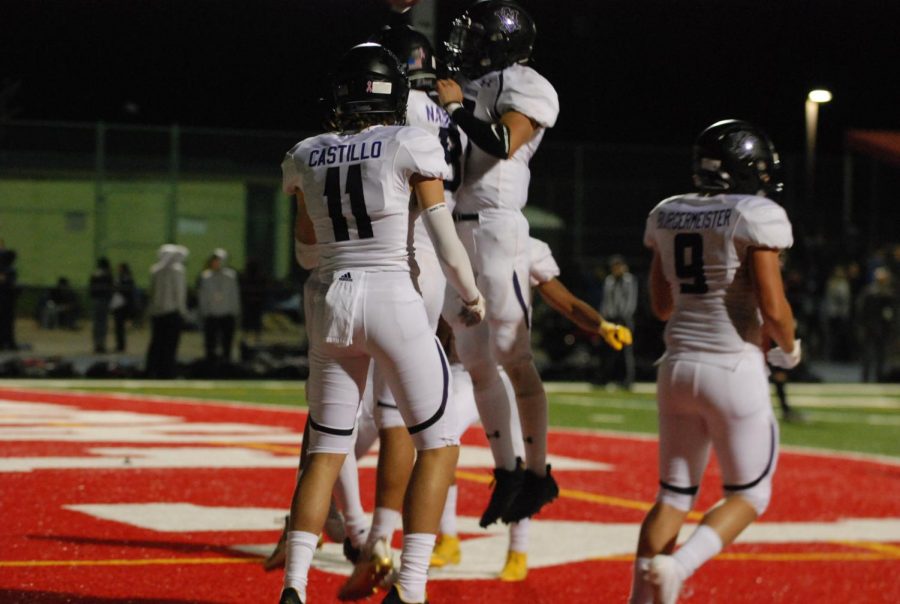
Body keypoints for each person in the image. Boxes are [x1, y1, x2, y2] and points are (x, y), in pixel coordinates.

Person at [278, 43, 484, 604]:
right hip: (393, 296)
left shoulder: (305, 153)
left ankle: (294, 585)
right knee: (438, 443)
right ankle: (410, 585)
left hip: (329, 302)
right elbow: (444, 238)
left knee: (324, 450)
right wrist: (470, 294)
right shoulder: (409, 141)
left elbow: (303, 253)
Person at [631, 120, 801, 604]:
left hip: (676, 364)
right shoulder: (755, 213)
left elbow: (661, 305)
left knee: (672, 496)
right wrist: (789, 349)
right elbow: (773, 304)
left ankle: (640, 601)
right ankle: (678, 566)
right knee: (750, 494)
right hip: (733, 367)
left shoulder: (667, 212)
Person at [431, 237, 632, 581]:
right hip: (462, 371)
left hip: (504, 372)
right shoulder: (450, 238)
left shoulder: (523, 245)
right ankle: (447, 537)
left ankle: (518, 550)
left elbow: (565, 302)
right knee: (437, 443)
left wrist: (599, 324)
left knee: (520, 464)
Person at [436, 0, 561, 527]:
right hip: (458, 227)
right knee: (474, 356)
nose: (465, 45)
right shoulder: (477, 82)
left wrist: (459, 109)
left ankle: (537, 472)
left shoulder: (528, 84)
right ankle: (507, 469)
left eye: (476, 36)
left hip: (496, 225)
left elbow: (505, 142)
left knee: (513, 353)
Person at [145, 244, 188, 379]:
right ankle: (167, 371)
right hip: (172, 313)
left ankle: (152, 370)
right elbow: (180, 293)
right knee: (170, 345)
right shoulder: (178, 271)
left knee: (156, 343)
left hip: (157, 314)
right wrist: (183, 312)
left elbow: (151, 293)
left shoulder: (155, 270)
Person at [600, 254, 638, 389]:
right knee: (609, 350)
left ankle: (628, 380)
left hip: (625, 319)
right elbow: (606, 301)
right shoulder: (609, 281)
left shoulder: (629, 280)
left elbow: (631, 300)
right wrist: (605, 318)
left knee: (626, 351)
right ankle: (606, 379)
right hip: (611, 319)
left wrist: (625, 316)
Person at [197, 248, 241, 362]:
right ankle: (210, 365)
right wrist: (204, 312)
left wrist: (235, 312)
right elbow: (203, 296)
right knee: (210, 344)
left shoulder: (230, 276)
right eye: (214, 260)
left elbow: (234, 295)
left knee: (227, 343)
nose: (215, 263)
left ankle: (226, 365)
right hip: (211, 315)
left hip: (227, 314)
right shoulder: (206, 276)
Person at [857, 266, 896, 382]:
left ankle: (879, 378)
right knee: (868, 356)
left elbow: (892, 313)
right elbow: (862, 311)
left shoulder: (889, 294)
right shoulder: (869, 293)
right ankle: (865, 379)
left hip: (883, 329)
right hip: (870, 328)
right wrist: (862, 326)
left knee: (881, 356)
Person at [88, 257, 115, 353]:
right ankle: (102, 344)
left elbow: (91, 289)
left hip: (95, 301)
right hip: (104, 301)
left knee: (96, 323)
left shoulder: (94, 274)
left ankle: (96, 344)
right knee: (103, 323)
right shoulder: (108, 275)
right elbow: (111, 288)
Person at [111, 263, 136, 352]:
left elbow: (127, 291)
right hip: (119, 304)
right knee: (119, 327)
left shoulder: (125, 279)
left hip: (122, 305)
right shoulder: (121, 278)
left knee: (120, 326)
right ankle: (120, 344)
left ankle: (121, 345)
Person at [0, 243, 18, 350]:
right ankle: (6, 342)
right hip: (6, 300)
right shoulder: (8, 269)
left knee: (6, 322)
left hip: (6, 300)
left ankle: (6, 342)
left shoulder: (8, 270)